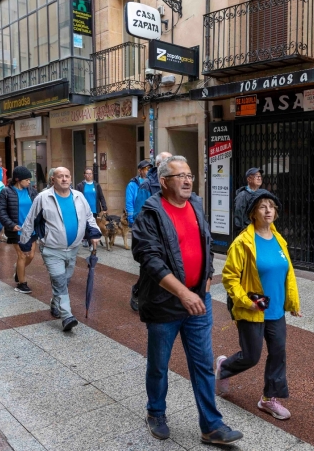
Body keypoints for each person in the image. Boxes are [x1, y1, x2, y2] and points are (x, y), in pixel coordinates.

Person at [132, 155, 243, 445]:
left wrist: (207, 277)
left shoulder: (195, 204)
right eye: (180, 175)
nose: (187, 180)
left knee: (204, 365)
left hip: (198, 302)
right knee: (159, 363)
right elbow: (150, 259)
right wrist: (183, 293)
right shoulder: (151, 212)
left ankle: (211, 425)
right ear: (164, 181)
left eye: (190, 175)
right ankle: (155, 412)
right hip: (164, 304)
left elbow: (206, 242)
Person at [216, 190, 301, 420]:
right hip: (252, 310)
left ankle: (268, 399)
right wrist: (246, 302)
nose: (268, 211)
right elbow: (229, 277)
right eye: (263, 207)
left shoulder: (279, 239)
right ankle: (224, 368)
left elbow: (288, 274)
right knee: (251, 356)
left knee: (278, 353)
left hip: (276, 311)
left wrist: (292, 302)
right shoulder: (243, 242)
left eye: (271, 207)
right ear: (253, 213)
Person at [19, 167, 102, 332]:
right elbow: (30, 220)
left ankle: (55, 303)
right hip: (51, 249)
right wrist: (25, 242)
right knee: (59, 280)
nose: (64, 179)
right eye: (60, 176)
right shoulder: (43, 197)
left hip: (72, 249)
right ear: (53, 180)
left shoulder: (79, 197)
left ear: (71, 178)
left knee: (65, 279)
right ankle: (67, 316)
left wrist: (94, 233)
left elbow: (88, 217)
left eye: (67, 176)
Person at [129, 152, 172, 311]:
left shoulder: (174, 183)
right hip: (152, 236)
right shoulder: (147, 186)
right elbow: (140, 215)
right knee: (149, 269)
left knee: (167, 268)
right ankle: (138, 291)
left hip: (170, 235)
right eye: (169, 161)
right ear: (159, 165)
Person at [0, 166, 39, 294]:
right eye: (26, 179)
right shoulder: (6, 192)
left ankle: (18, 271)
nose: (29, 182)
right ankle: (22, 283)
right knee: (22, 255)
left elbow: (40, 206)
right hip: (17, 230)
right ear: (17, 179)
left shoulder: (31, 191)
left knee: (30, 256)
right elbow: (1, 211)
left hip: (31, 229)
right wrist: (11, 225)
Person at [128, 152, 172, 227]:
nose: (171, 165)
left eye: (173, 161)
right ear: (158, 164)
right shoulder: (144, 185)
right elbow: (138, 214)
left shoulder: (176, 182)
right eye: (168, 162)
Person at [75, 168, 107, 247]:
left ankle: (91, 243)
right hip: (83, 209)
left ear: (92, 175)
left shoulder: (96, 185)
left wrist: (104, 207)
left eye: (90, 174)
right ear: (84, 175)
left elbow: (101, 196)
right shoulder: (80, 185)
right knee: (84, 225)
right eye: (87, 173)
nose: (89, 175)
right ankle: (86, 239)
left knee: (92, 225)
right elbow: (76, 197)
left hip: (94, 209)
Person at [233, 167, 263, 233]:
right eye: (256, 176)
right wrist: (242, 231)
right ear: (249, 179)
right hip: (248, 231)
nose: (259, 178)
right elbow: (238, 216)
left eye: (260, 176)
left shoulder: (260, 194)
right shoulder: (243, 195)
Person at [125, 159, 152, 224]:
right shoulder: (132, 185)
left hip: (150, 217)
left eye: (150, 168)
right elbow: (129, 202)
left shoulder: (152, 182)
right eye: (146, 168)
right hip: (138, 217)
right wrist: (131, 218)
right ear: (140, 170)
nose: (149, 170)